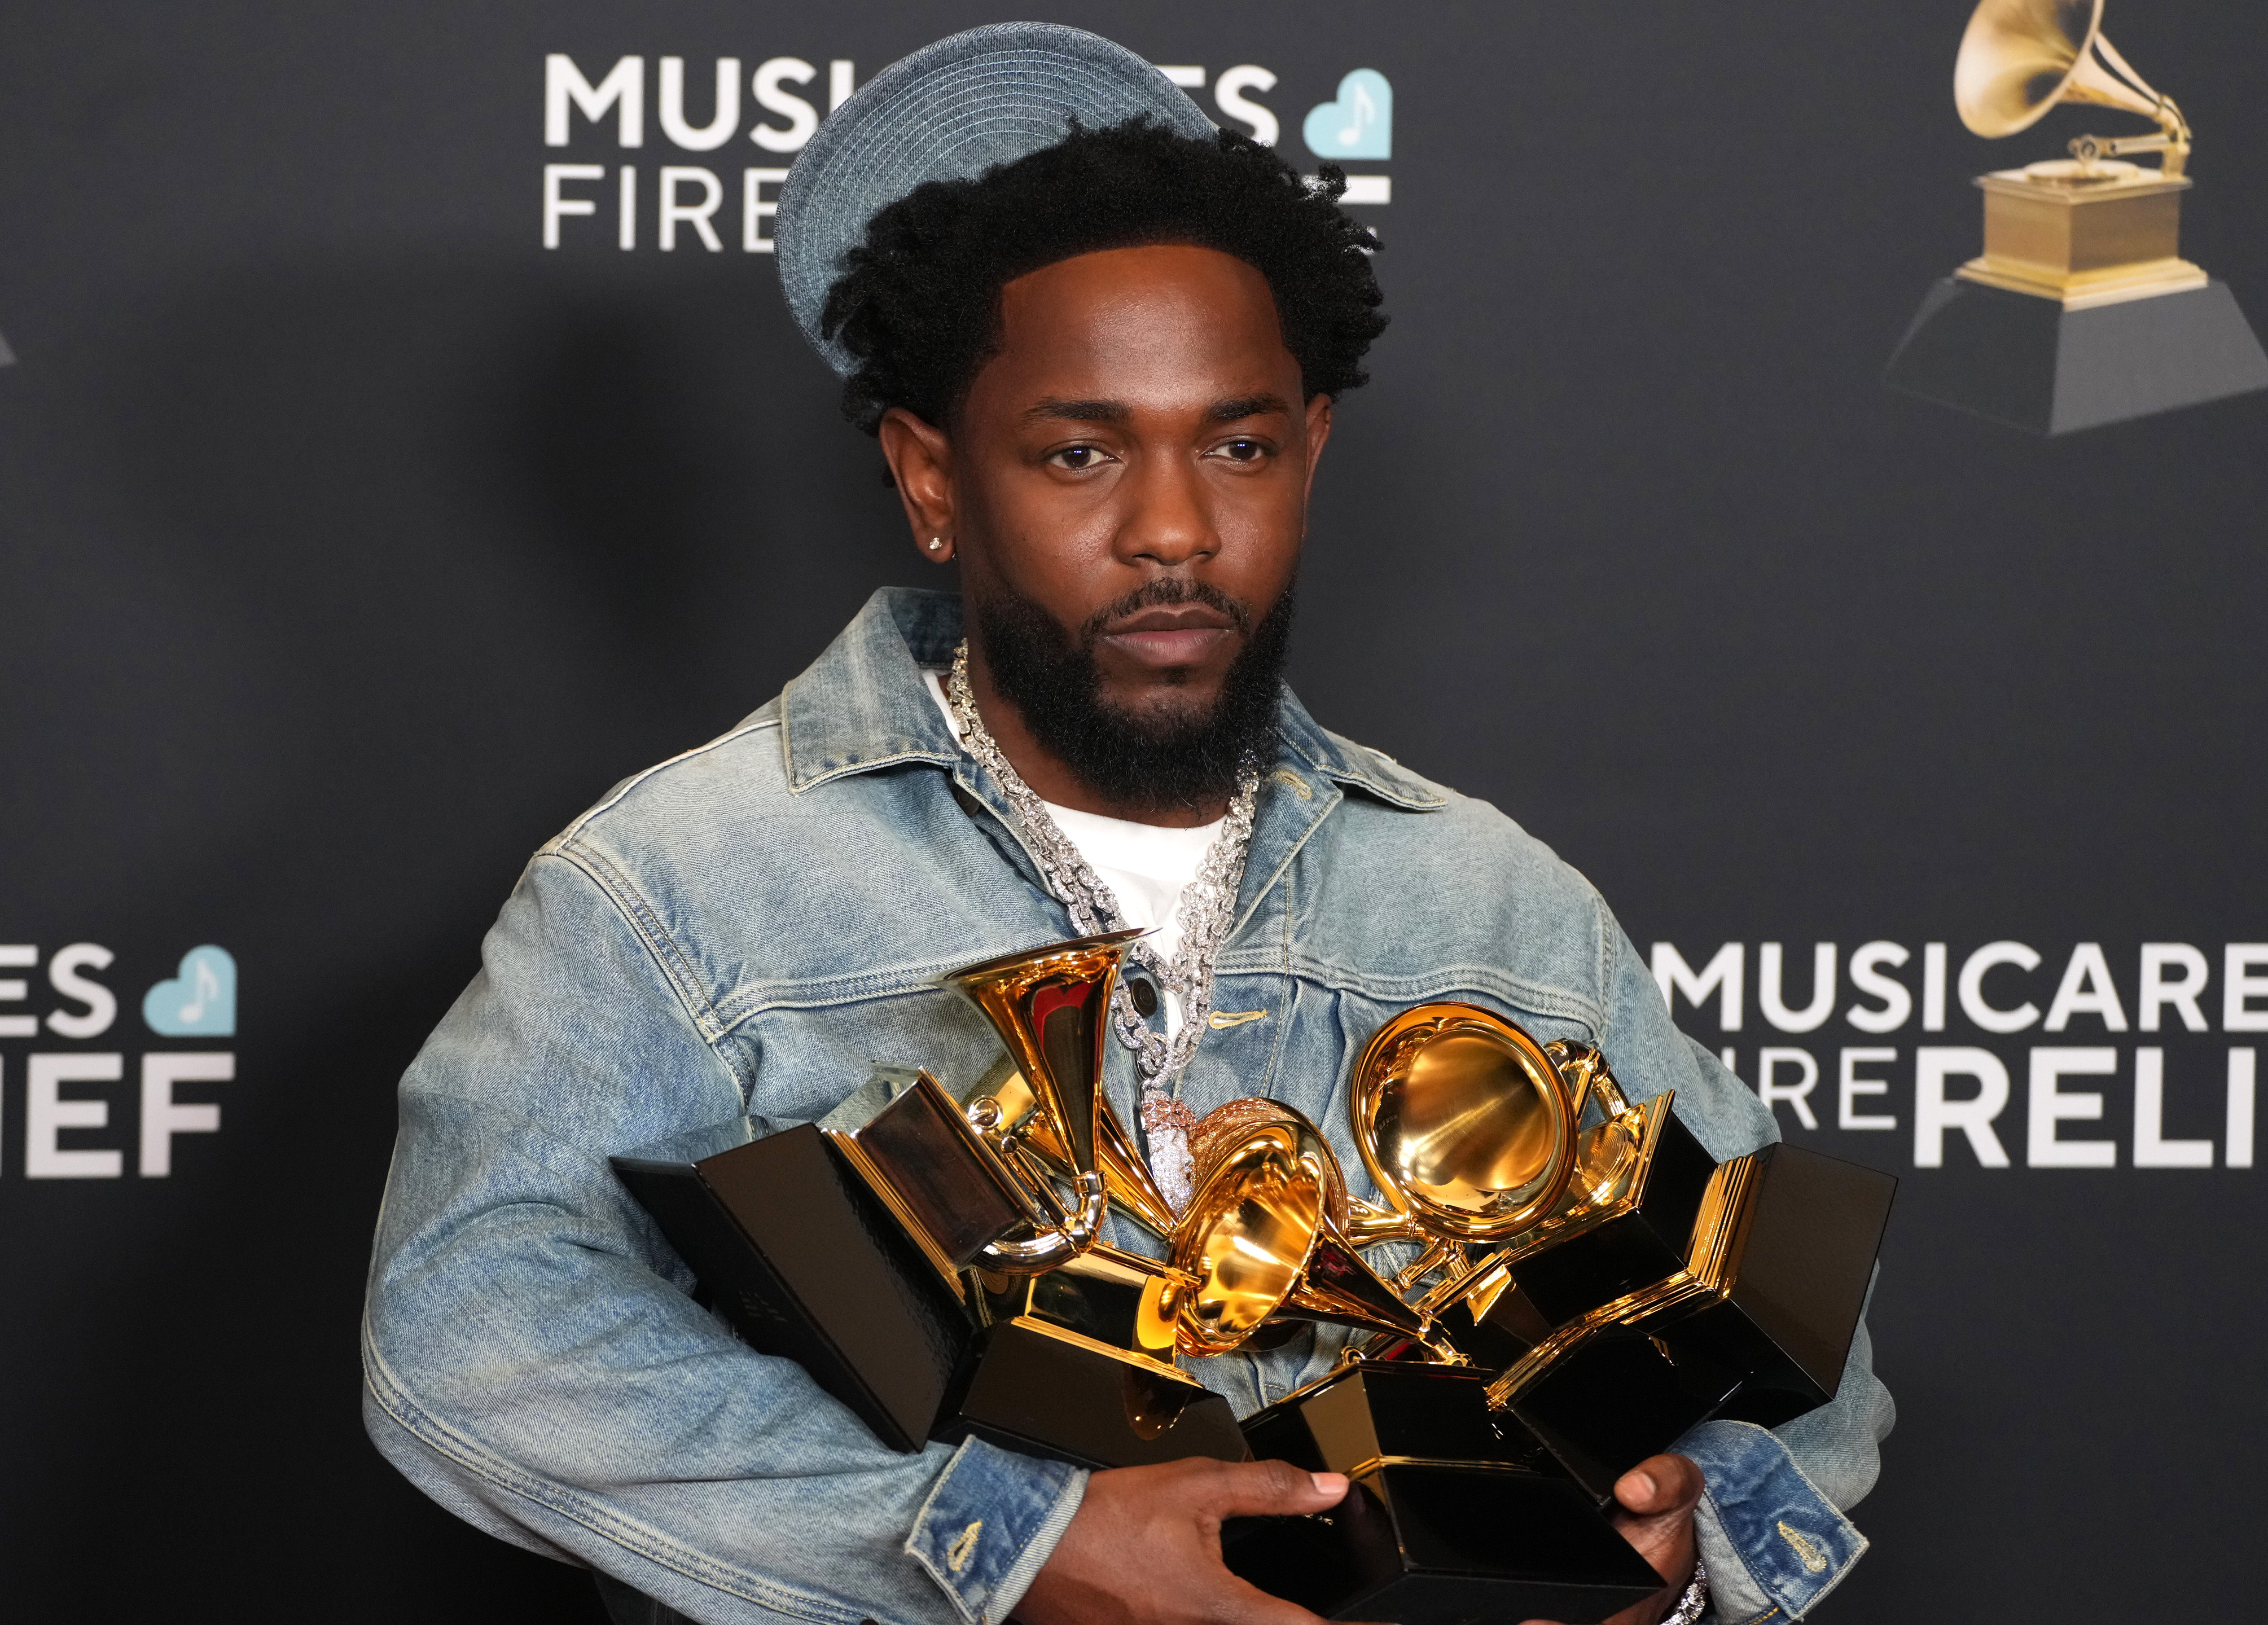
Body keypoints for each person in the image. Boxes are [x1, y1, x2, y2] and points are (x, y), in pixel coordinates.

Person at [362, 24, 1892, 1625]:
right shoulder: (682, 885)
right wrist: (994, 1543)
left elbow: (1803, 1340)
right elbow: (471, 1328)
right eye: (1080, 453)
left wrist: (1693, 1519)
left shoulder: (1492, 903)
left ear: (1310, 451)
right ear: (931, 476)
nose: (1173, 530)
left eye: (1236, 445)